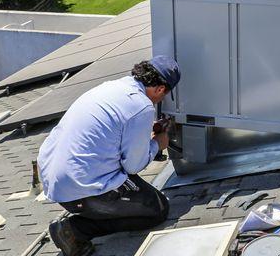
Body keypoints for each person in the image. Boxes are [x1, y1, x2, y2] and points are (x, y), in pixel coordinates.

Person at [37, 55, 181, 256]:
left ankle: (91, 214)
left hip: (58, 183)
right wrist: (158, 144)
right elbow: (133, 165)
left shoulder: (111, 87)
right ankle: (75, 229)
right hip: (83, 191)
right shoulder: (141, 105)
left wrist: (142, 137)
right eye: (163, 95)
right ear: (159, 89)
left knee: (132, 187)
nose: (160, 100)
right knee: (157, 208)